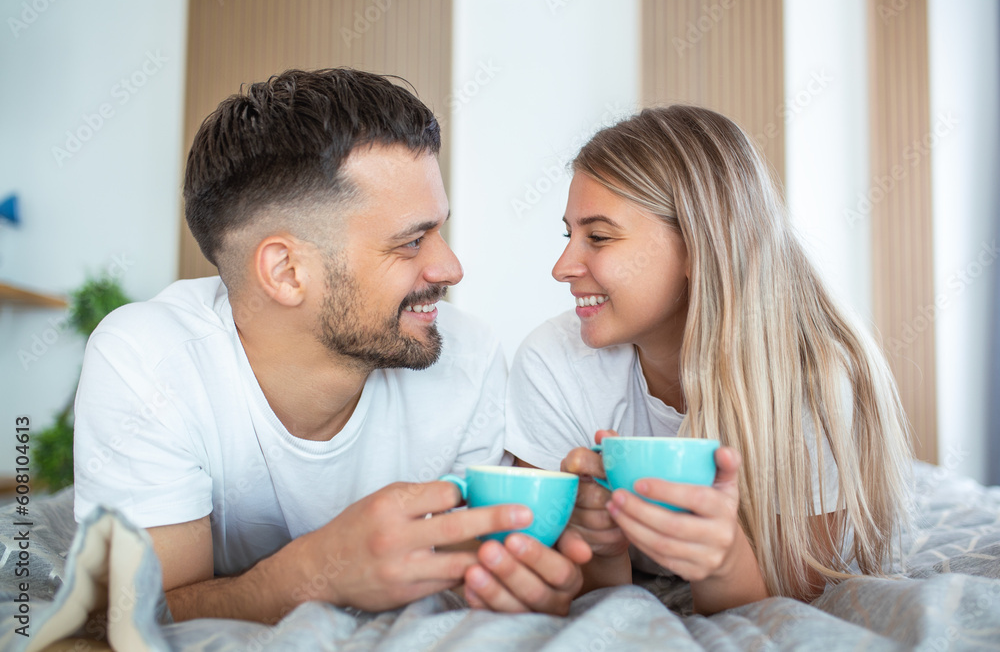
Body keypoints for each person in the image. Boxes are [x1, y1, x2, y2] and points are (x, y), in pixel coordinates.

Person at [73, 68, 589, 623]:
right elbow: (137, 614)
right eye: (411, 241)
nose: (450, 268)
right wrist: (313, 572)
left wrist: (520, 591)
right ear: (287, 271)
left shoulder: (468, 358)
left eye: (439, 231)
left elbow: (471, 588)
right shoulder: (149, 364)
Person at [504, 105, 913, 615]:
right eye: (570, 235)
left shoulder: (820, 380)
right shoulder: (553, 363)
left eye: (600, 237)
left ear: (699, 246)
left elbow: (782, 617)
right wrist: (601, 552)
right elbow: (583, 605)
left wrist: (721, 562)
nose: (562, 267)